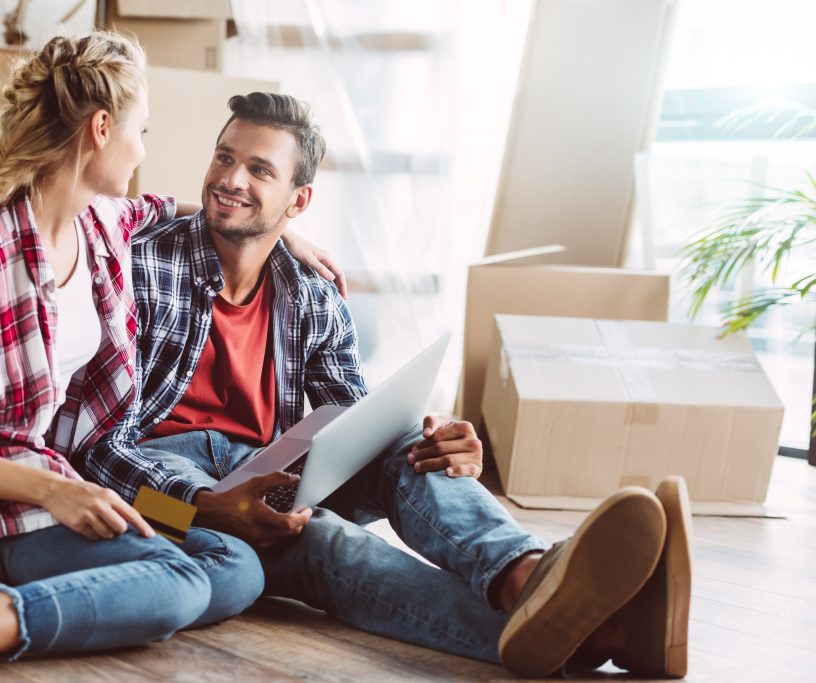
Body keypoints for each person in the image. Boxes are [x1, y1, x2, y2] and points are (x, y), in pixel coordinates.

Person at [84, 92, 694, 678]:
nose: (230, 179)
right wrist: (201, 507)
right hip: (158, 492)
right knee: (322, 539)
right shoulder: (138, 265)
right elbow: (91, 447)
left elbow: (352, 421)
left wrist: (437, 443)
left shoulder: (310, 294)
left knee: (407, 444)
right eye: (225, 157)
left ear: (298, 202)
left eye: (258, 169)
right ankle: (601, 630)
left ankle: (527, 574)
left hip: (271, 468)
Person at [0, 37, 342, 683]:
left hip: (57, 477)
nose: (144, 149)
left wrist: (283, 232)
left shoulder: (99, 223)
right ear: (101, 129)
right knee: (178, 585)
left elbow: (171, 209)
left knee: (237, 565)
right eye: (141, 130)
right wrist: (57, 490)